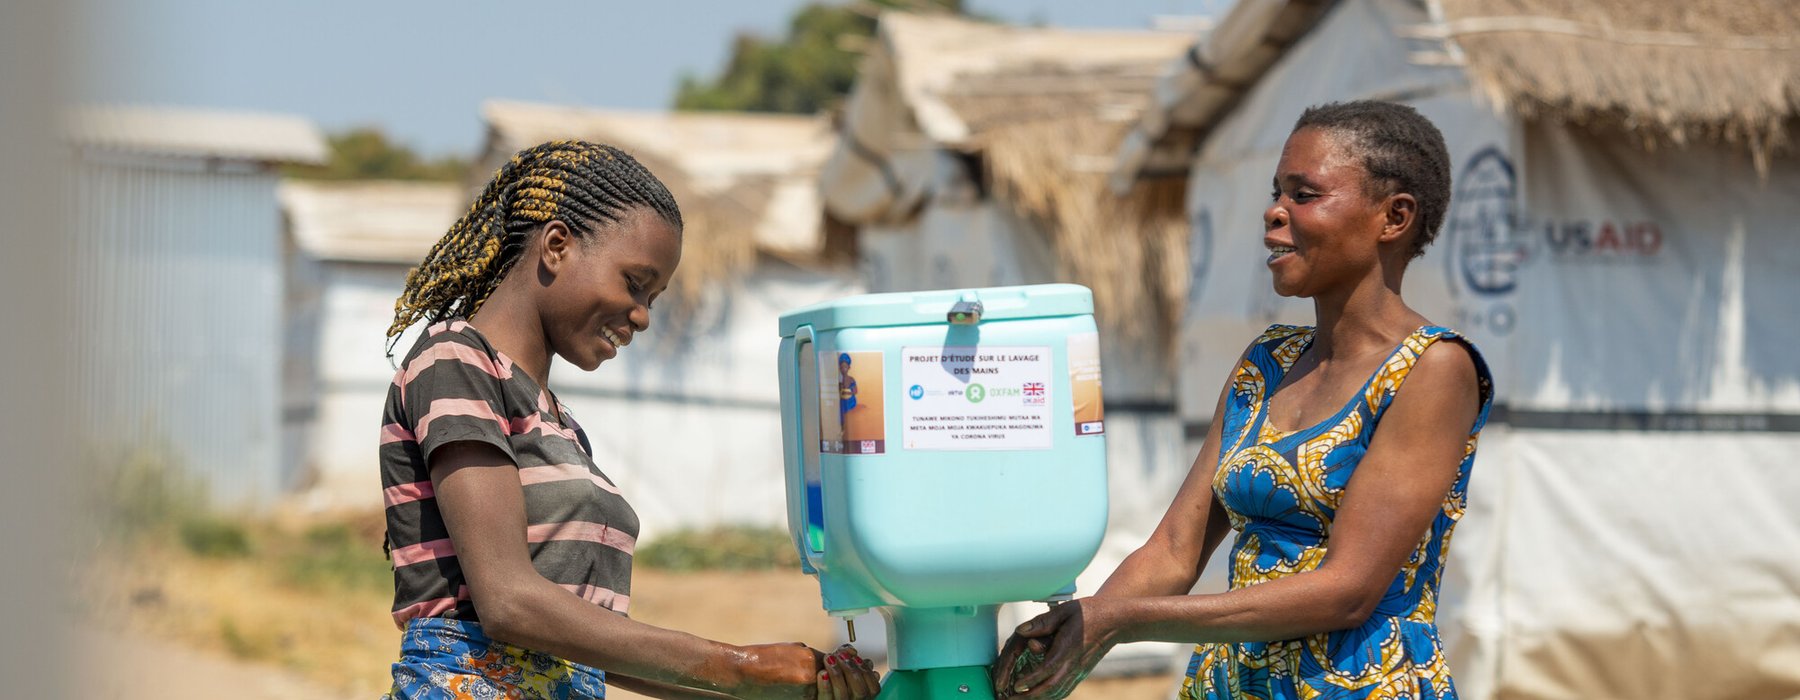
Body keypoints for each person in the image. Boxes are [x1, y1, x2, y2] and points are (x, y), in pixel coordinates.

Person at [993, 101, 1495, 699]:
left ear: (1394, 217)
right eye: (1276, 192)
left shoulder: (1433, 369)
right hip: (1232, 684)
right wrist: (1068, 645)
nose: (1273, 212)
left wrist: (1120, 621)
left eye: (1304, 195)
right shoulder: (1267, 362)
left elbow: (1349, 589)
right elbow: (1175, 551)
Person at [378, 140, 881, 700]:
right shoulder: (455, 361)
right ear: (557, 245)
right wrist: (739, 666)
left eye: (655, 296)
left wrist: (762, 692)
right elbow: (508, 603)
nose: (642, 315)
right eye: (635, 283)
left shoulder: (560, 426)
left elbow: (586, 650)